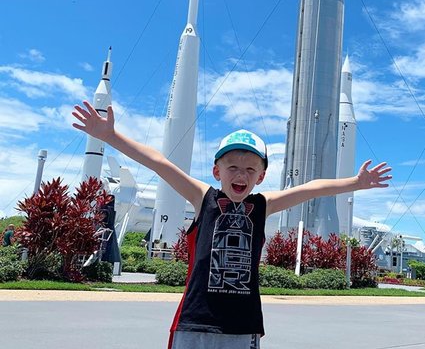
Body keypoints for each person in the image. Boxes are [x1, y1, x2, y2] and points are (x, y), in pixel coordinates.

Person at [72, 101, 391, 349]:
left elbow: (308, 189)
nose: (241, 175)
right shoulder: (203, 198)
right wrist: (110, 136)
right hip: (194, 322)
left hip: (242, 326)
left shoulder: (262, 206)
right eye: (233, 167)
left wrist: (355, 183)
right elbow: (160, 163)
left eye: (251, 169)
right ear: (216, 171)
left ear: (261, 176)